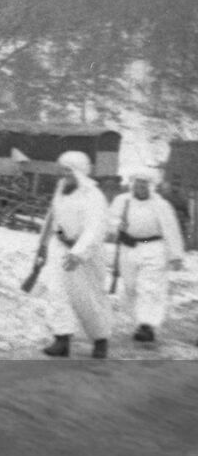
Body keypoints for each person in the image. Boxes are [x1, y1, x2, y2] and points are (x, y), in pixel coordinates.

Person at [41, 151, 113, 359]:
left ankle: (100, 340)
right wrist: (44, 245)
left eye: (68, 171)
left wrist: (78, 253)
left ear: (79, 172)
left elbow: (95, 228)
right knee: (57, 293)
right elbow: (53, 217)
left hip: (85, 255)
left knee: (88, 299)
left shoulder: (93, 196)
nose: (64, 175)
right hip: (60, 248)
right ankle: (61, 339)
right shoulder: (61, 189)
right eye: (62, 170)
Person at [106, 166, 184, 344]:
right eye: (138, 182)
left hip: (153, 248)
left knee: (149, 288)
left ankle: (147, 326)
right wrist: (117, 225)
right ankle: (139, 321)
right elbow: (110, 220)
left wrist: (176, 255)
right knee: (131, 286)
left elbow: (171, 230)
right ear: (132, 184)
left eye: (145, 183)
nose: (140, 186)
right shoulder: (122, 201)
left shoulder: (161, 205)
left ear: (151, 186)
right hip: (129, 248)